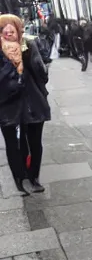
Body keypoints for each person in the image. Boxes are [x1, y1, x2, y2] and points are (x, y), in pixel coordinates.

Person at [0, 14, 50, 194]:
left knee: (35, 142)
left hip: (33, 102)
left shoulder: (29, 46)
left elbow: (43, 74)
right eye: (3, 28)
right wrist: (11, 64)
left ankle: (34, 177)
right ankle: (19, 179)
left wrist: (30, 56)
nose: (8, 31)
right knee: (14, 144)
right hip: (7, 105)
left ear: (18, 29)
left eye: (11, 27)